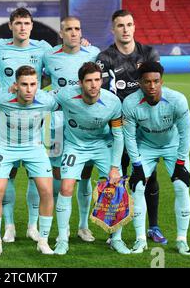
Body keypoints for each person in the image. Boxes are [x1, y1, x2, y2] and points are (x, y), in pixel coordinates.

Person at [95, 9, 166, 244]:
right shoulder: (105, 58)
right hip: (116, 127)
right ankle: (117, 231)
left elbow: (154, 88)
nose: (125, 29)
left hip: (144, 127)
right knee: (118, 176)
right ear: (113, 29)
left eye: (129, 24)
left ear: (134, 27)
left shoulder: (149, 53)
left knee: (149, 176)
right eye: (120, 25)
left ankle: (153, 227)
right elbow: (103, 94)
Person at [0, 7, 53, 244]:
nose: (22, 27)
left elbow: (57, 68)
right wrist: (5, 93)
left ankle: (33, 226)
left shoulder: (44, 48)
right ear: (10, 25)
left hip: (35, 119)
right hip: (7, 118)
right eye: (18, 23)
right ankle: (9, 225)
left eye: (26, 23)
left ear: (32, 26)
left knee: (37, 177)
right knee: (9, 175)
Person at [53, 62, 130, 255]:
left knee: (117, 186)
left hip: (102, 146)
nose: (94, 85)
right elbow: (44, 98)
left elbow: (118, 135)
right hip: (75, 145)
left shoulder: (113, 102)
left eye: (97, 80)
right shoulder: (65, 95)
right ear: (80, 83)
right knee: (66, 186)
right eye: (89, 81)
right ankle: (62, 239)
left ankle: (116, 238)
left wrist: (114, 166)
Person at [0, 65, 57, 257]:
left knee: (47, 191)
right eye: (24, 84)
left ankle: (43, 240)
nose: (29, 89)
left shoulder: (47, 101)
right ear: (15, 85)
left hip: (33, 147)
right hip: (4, 147)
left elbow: (70, 97)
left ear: (38, 86)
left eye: (33, 84)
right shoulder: (1, 98)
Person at [122, 61, 190, 255]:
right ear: (139, 82)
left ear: (162, 81)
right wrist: (136, 165)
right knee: (137, 186)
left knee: (181, 185)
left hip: (173, 146)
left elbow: (186, 133)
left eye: (156, 81)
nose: (152, 86)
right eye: (147, 82)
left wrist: (180, 163)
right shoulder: (130, 103)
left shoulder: (177, 100)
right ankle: (140, 240)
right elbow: (129, 136)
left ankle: (182, 240)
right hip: (147, 146)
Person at [42, 16, 100, 242]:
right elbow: (39, 79)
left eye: (77, 29)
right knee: (58, 175)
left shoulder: (93, 53)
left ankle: (83, 226)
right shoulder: (49, 55)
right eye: (69, 29)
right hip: (58, 122)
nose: (74, 33)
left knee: (84, 175)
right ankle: (58, 226)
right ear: (61, 33)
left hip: (85, 122)